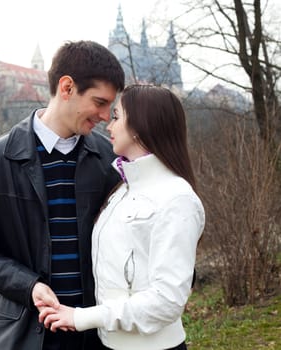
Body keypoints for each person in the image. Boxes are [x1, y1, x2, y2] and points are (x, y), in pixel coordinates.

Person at [0, 40, 125, 349]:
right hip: (21, 334)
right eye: (99, 102)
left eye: (110, 106)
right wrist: (28, 286)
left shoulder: (109, 161)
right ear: (67, 87)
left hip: (95, 333)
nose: (105, 115)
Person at [38, 84, 205, 350]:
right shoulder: (121, 191)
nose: (108, 125)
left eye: (116, 116)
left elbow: (167, 301)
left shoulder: (176, 199)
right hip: (109, 344)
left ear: (140, 127)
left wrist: (82, 317)